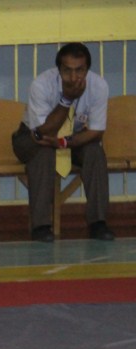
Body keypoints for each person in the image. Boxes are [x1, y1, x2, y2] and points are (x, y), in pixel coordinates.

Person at [12, 42, 115, 242]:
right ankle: (41, 226)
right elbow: (44, 133)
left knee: (94, 151)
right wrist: (66, 100)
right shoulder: (41, 84)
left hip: (72, 137)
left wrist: (65, 143)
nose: (74, 77)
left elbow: (96, 132)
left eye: (80, 70)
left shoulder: (98, 86)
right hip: (32, 137)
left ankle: (98, 223)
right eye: (67, 70)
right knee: (43, 152)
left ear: (87, 69)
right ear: (59, 70)